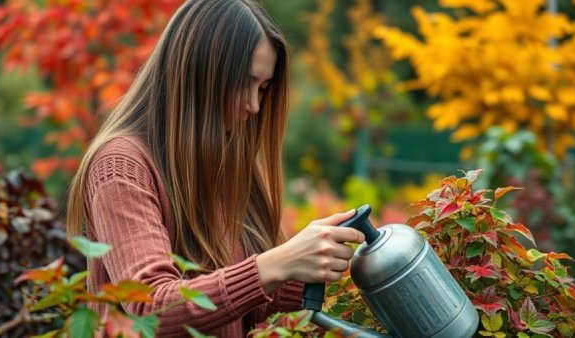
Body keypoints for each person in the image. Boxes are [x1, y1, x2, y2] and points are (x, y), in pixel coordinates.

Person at [66, 0, 365, 336]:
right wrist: (275, 264)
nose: (254, 105)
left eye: (263, 89)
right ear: (200, 73)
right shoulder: (121, 166)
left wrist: (325, 267)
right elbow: (152, 307)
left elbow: (246, 300)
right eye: (244, 83)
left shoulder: (226, 160)